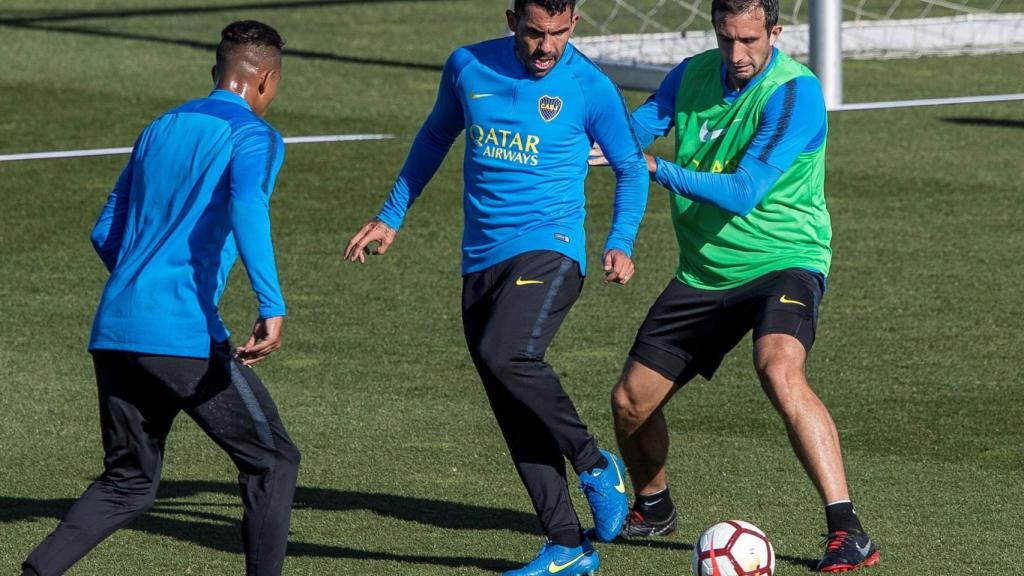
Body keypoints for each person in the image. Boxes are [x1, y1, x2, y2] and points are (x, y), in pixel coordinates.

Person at [343, 0, 646, 573]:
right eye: (534, 33)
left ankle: (595, 463)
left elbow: (629, 166)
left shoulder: (591, 87)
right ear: (512, 21)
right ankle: (566, 546)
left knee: (506, 353)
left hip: (551, 249)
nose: (546, 47)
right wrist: (391, 216)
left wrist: (621, 240)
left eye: (558, 33)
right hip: (479, 261)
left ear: (575, 24)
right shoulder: (467, 67)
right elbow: (434, 138)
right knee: (511, 402)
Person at [596, 0, 880, 571]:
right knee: (629, 403)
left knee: (778, 367)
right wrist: (577, 140)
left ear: (774, 31)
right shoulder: (690, 75)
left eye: (750, 40)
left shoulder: (795, 93)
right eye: (726, 39)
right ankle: (653, 507)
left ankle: (847, 529)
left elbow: (744, 190)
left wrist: (656, 170)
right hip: (704, 270)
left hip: (784, 259)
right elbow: (629, 135)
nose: (737, 54)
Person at [21, 20, 300, 576]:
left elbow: (106, 229)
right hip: (181, 336)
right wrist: (271, 304)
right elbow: (248, 207)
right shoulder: (255, 137)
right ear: (267, 79)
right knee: (272, 461)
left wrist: (139, 286)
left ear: (214, 72)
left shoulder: (161, 125)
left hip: (116, 328)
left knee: (128, 483)